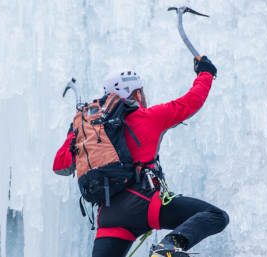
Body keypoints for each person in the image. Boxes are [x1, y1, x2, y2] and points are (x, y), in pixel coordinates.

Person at [53, 56, 229, 257]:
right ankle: (168, 248)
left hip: (110, 218)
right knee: (215, 215)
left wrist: (75, 131)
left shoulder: (90, 135)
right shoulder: (151, 117)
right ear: (136, 93)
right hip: (145, 203)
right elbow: (192, 101)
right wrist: (205, 72)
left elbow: (60, 166)